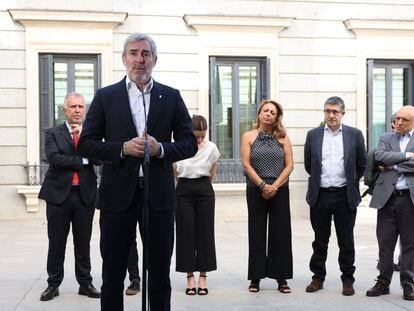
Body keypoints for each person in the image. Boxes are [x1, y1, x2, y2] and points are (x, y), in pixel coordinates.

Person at [78, 32, 197, 311]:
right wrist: (122, 149)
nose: (139, 59)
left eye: (145, 54)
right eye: (133, 53)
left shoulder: (170, 96)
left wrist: (161, 150)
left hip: (158, 198)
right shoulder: (106, 97)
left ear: (154, 60)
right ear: (124, 59)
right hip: (117, 198)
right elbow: (86, 144)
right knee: (112, 275)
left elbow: (189, 142)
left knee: (159, 275)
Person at [38, 92, 101, 301]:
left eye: (80, 107)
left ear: (84, 110)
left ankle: (85, 283)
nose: (77, 110)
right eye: (73, 107)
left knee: (83, 243)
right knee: (56, 242)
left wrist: (84, 139)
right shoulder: (53, 133)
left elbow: (99, 159)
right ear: (64, 110)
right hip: (59, 196)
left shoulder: (90, 135)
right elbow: (54, 158)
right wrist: (83, 161)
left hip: (84, 196)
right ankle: (53, 284)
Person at [304, 96, 366, 296]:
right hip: (320, 195)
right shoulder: (313, 135)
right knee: (320, 240)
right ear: (324, 112)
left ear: (342, 114)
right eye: (327, 111)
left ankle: (347, 279)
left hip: (344, 195)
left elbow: (361, 165)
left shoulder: (355, 135)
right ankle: (318, 277)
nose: (331, 115)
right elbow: (308, 165)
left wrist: (350, 183)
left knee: (346, 240)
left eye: (335, 112)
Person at [240, 99, 294, 294]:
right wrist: (262, 185)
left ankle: (282, 278)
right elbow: (246, 164)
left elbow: (290, 165)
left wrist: (274, 186)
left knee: (280, 233)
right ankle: (255, 277)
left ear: (277, 116)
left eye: (273, 112)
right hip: (255, 189)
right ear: (259, 113)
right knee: (256, 232)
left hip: (279, 190)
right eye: (266, 110)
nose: (269, 114)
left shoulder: (283, 137)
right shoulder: (248, 136)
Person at [366, 105, 414, 301]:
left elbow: (386, 161)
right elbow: (379, 156)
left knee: (410, 243)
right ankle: (383, 282)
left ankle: (408, 283)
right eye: (398, 118)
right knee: (385, 243)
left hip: (409, 199)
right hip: (388, 198)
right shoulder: (386, 137)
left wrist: (392, 165)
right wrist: (408, 157)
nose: (399, 122)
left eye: (405, 120)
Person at [173, 115, 220, 296]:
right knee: (186, 234)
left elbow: (212, 172)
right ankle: (189, 277)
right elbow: (175, 172)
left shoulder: (211, 148)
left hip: (204, 189)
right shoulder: (180, 146)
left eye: (202, 135)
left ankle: (203, 277)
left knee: (205, 233)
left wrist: (203, 186)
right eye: (196, 136)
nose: (199, 139)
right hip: (183, 189)